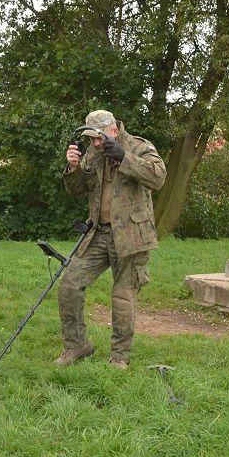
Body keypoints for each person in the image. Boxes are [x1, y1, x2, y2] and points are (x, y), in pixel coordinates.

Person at [57, 110, 166, 369]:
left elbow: (158, 177)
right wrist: (72, 168)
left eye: (98, 138)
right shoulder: (94, 153)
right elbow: (78, 190)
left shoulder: (139, 146)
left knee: (123, 295)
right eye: (91, 139)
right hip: (98, 233)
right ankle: (76, 346)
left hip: (131, 234)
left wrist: (124, 157)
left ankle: (120, 356)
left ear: (113, 130)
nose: (94, 144)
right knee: (69, 285)